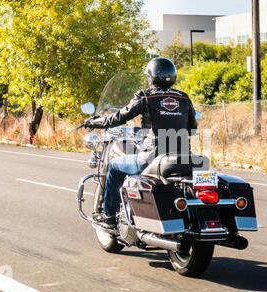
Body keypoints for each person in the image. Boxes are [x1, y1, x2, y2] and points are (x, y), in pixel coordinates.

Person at [83, 57, 198, 228]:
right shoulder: (184, 98)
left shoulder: (145, 96)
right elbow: (192, 129)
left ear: (151, 77)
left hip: (152, 159)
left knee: (114, 166)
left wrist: (94, 122)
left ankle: (109, 217)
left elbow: (120, 117)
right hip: (183, 158)